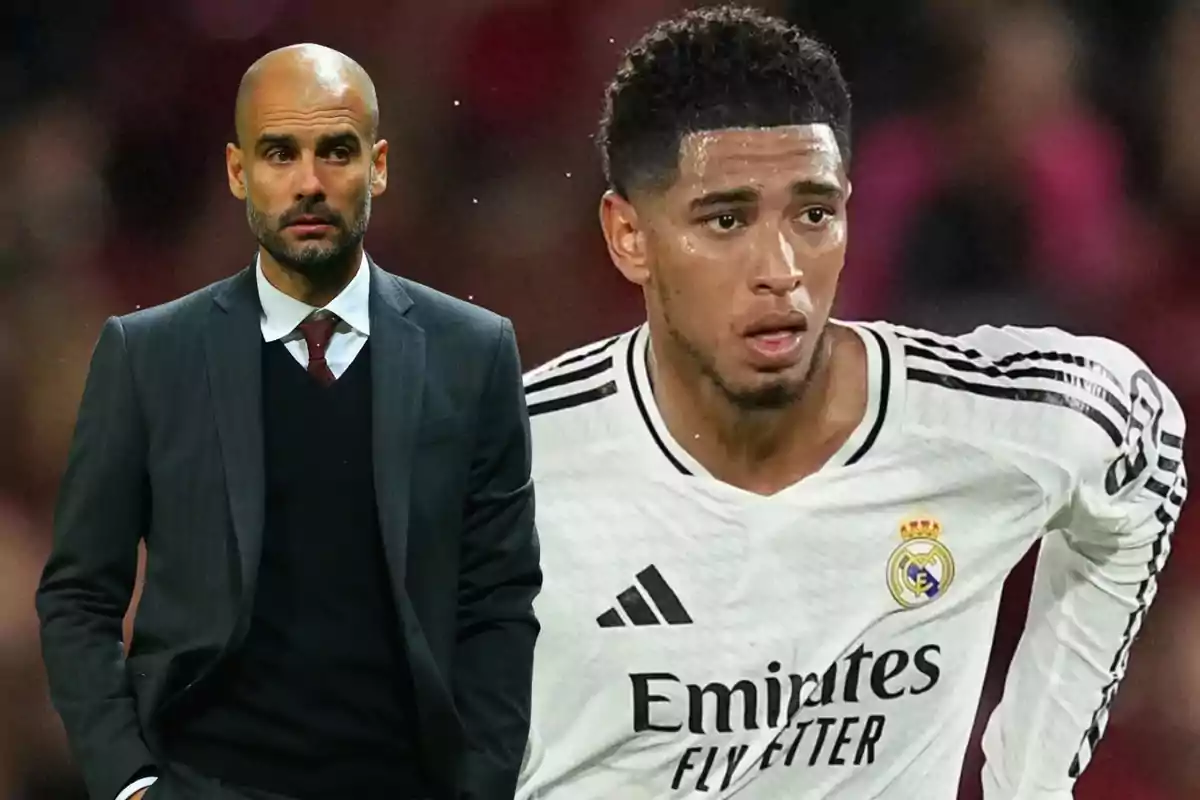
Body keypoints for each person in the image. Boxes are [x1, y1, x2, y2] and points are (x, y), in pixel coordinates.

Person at [515, 7, 1188, 799]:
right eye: (726, 219)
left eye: (812, 214)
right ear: (629, 236)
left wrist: (1031, 780)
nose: (781, 269)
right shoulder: (503, 470)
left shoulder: (978, 421)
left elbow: (1135, 436)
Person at [36, 44, 540, 800]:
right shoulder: (146, 358)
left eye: (336, 151)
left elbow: (500, 599)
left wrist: (480, 786)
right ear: (239, 172)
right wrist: (130, 783)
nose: (309, 182)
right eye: (280, 153)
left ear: (379, 167)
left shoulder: (474, 353)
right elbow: (79, 598)